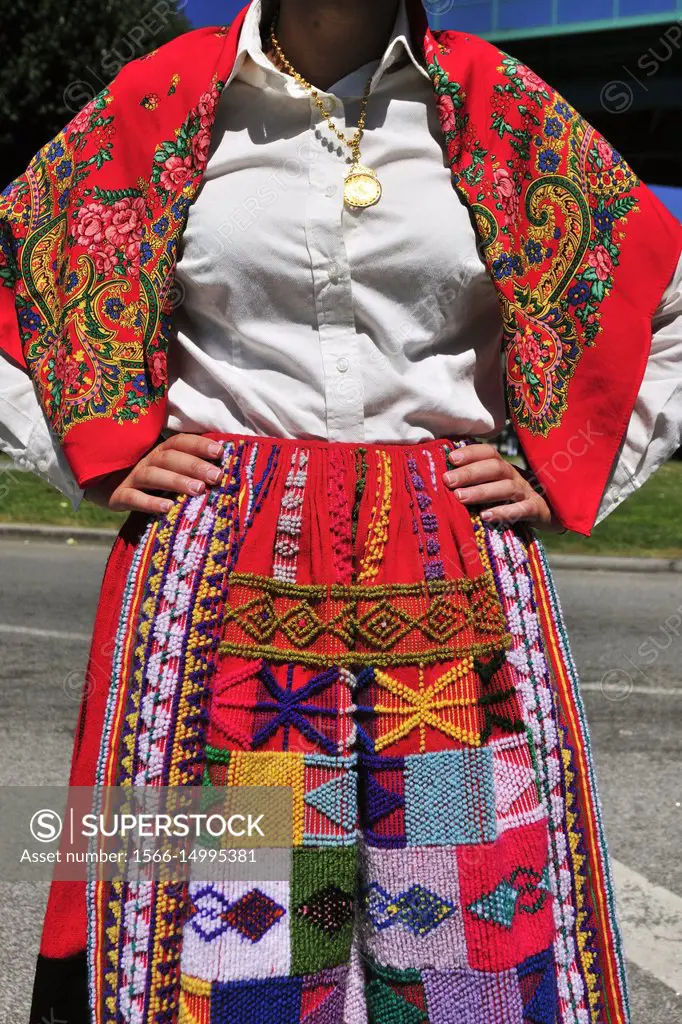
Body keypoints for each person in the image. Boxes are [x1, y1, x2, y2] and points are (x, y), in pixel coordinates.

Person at [1, 0, 681, 1021]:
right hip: (218, 578)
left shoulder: (500, 106)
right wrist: (88, 454)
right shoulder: (163, 99)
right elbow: (22, 284)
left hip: (449, 567)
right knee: (239, 947)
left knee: (463, 944)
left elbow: (659, 300)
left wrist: (572, 465)